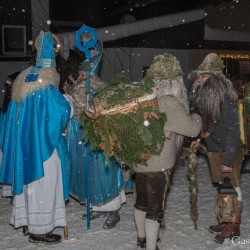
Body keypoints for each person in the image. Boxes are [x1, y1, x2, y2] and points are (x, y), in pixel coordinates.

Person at [0, 31, 71, 244]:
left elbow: (11, 114)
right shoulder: (47, 83)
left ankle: (28, 222)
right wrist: (68, 102)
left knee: (30, 187)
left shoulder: (23, 79)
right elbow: (60, 112)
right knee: (45, 184)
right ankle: (39, 230)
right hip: (42, 147)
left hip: (24, 146)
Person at [133, 53, 202, 250]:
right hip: (159, 164)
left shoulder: (144, 100)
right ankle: (151, 246)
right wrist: (197, 115)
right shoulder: (170, 103)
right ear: (174, 82)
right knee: (155, 209)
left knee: (141, 202)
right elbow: (192, 129)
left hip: (140, 162)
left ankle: (141, 238)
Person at [61, 48, 127, 229]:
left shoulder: (101, 92)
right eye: (80, 74)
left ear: (92, 76)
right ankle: (96, 207)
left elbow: (106, 113)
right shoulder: (76, 91)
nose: (81, 78)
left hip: (99, 141)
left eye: (85, 74)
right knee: (87, 173)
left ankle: (113, 210)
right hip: (82, 142)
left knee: (103, 175)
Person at [189, 53, 245, 244]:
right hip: (215, 148)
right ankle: (224, 219)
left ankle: (233, 226)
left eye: (203, 76)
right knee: (223, 188)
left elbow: (232, 130)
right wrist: (199, 139)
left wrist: (229, 161)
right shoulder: (209, 97)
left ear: (213, 79)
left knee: (231, 188)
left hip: (229, 150)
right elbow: (206, 123)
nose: (199, 79)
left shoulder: (227, 97)